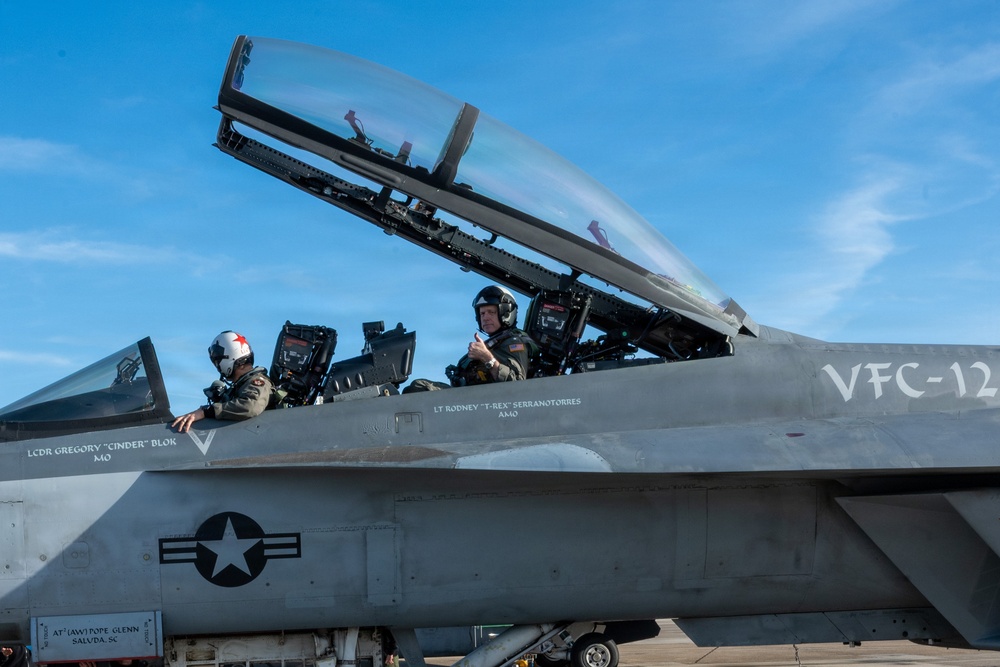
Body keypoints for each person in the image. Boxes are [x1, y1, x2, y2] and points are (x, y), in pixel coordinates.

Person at [405, 286, 537, 392]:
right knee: (415, 387)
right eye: (482, 313)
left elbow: (519, 387)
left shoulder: (514, 343)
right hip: (472, 399)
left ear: (506, 313)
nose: (485, 317)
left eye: (491, 312)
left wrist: (487, 358)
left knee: (419, 388)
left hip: (486, 404)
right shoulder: (494, 343)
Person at [172, 331, 274, 433]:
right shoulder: (240, 387)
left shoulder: (258, 382)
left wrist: (208, 412)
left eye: (217, 362)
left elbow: (250, 406)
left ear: (228, 359)